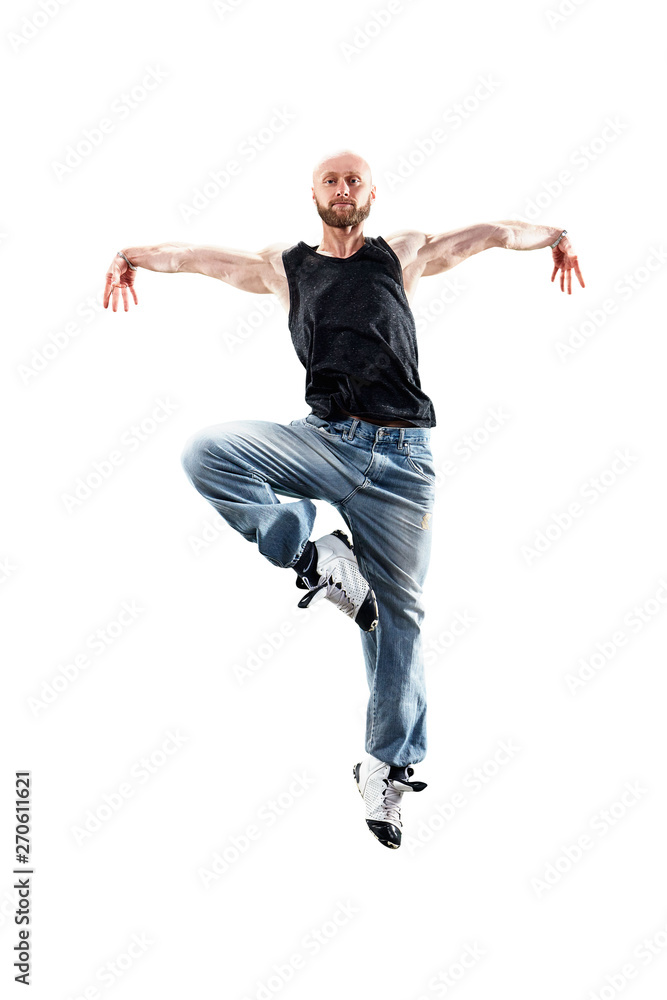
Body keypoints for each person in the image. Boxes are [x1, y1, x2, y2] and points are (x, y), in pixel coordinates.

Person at [103, 149, 584, 849]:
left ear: (370, 193)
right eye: (330, 179)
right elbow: (198, 257)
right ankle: (312, 553)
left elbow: (489, 233)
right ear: (313, 194)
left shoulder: (403, 254)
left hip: (402, 464)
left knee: (397, 620)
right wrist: (133, 255)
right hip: (324, 441)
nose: (342, 188)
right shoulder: (284, 266)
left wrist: (552, 234)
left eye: (353, 179)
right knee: (208, 451)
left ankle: (384, 765)